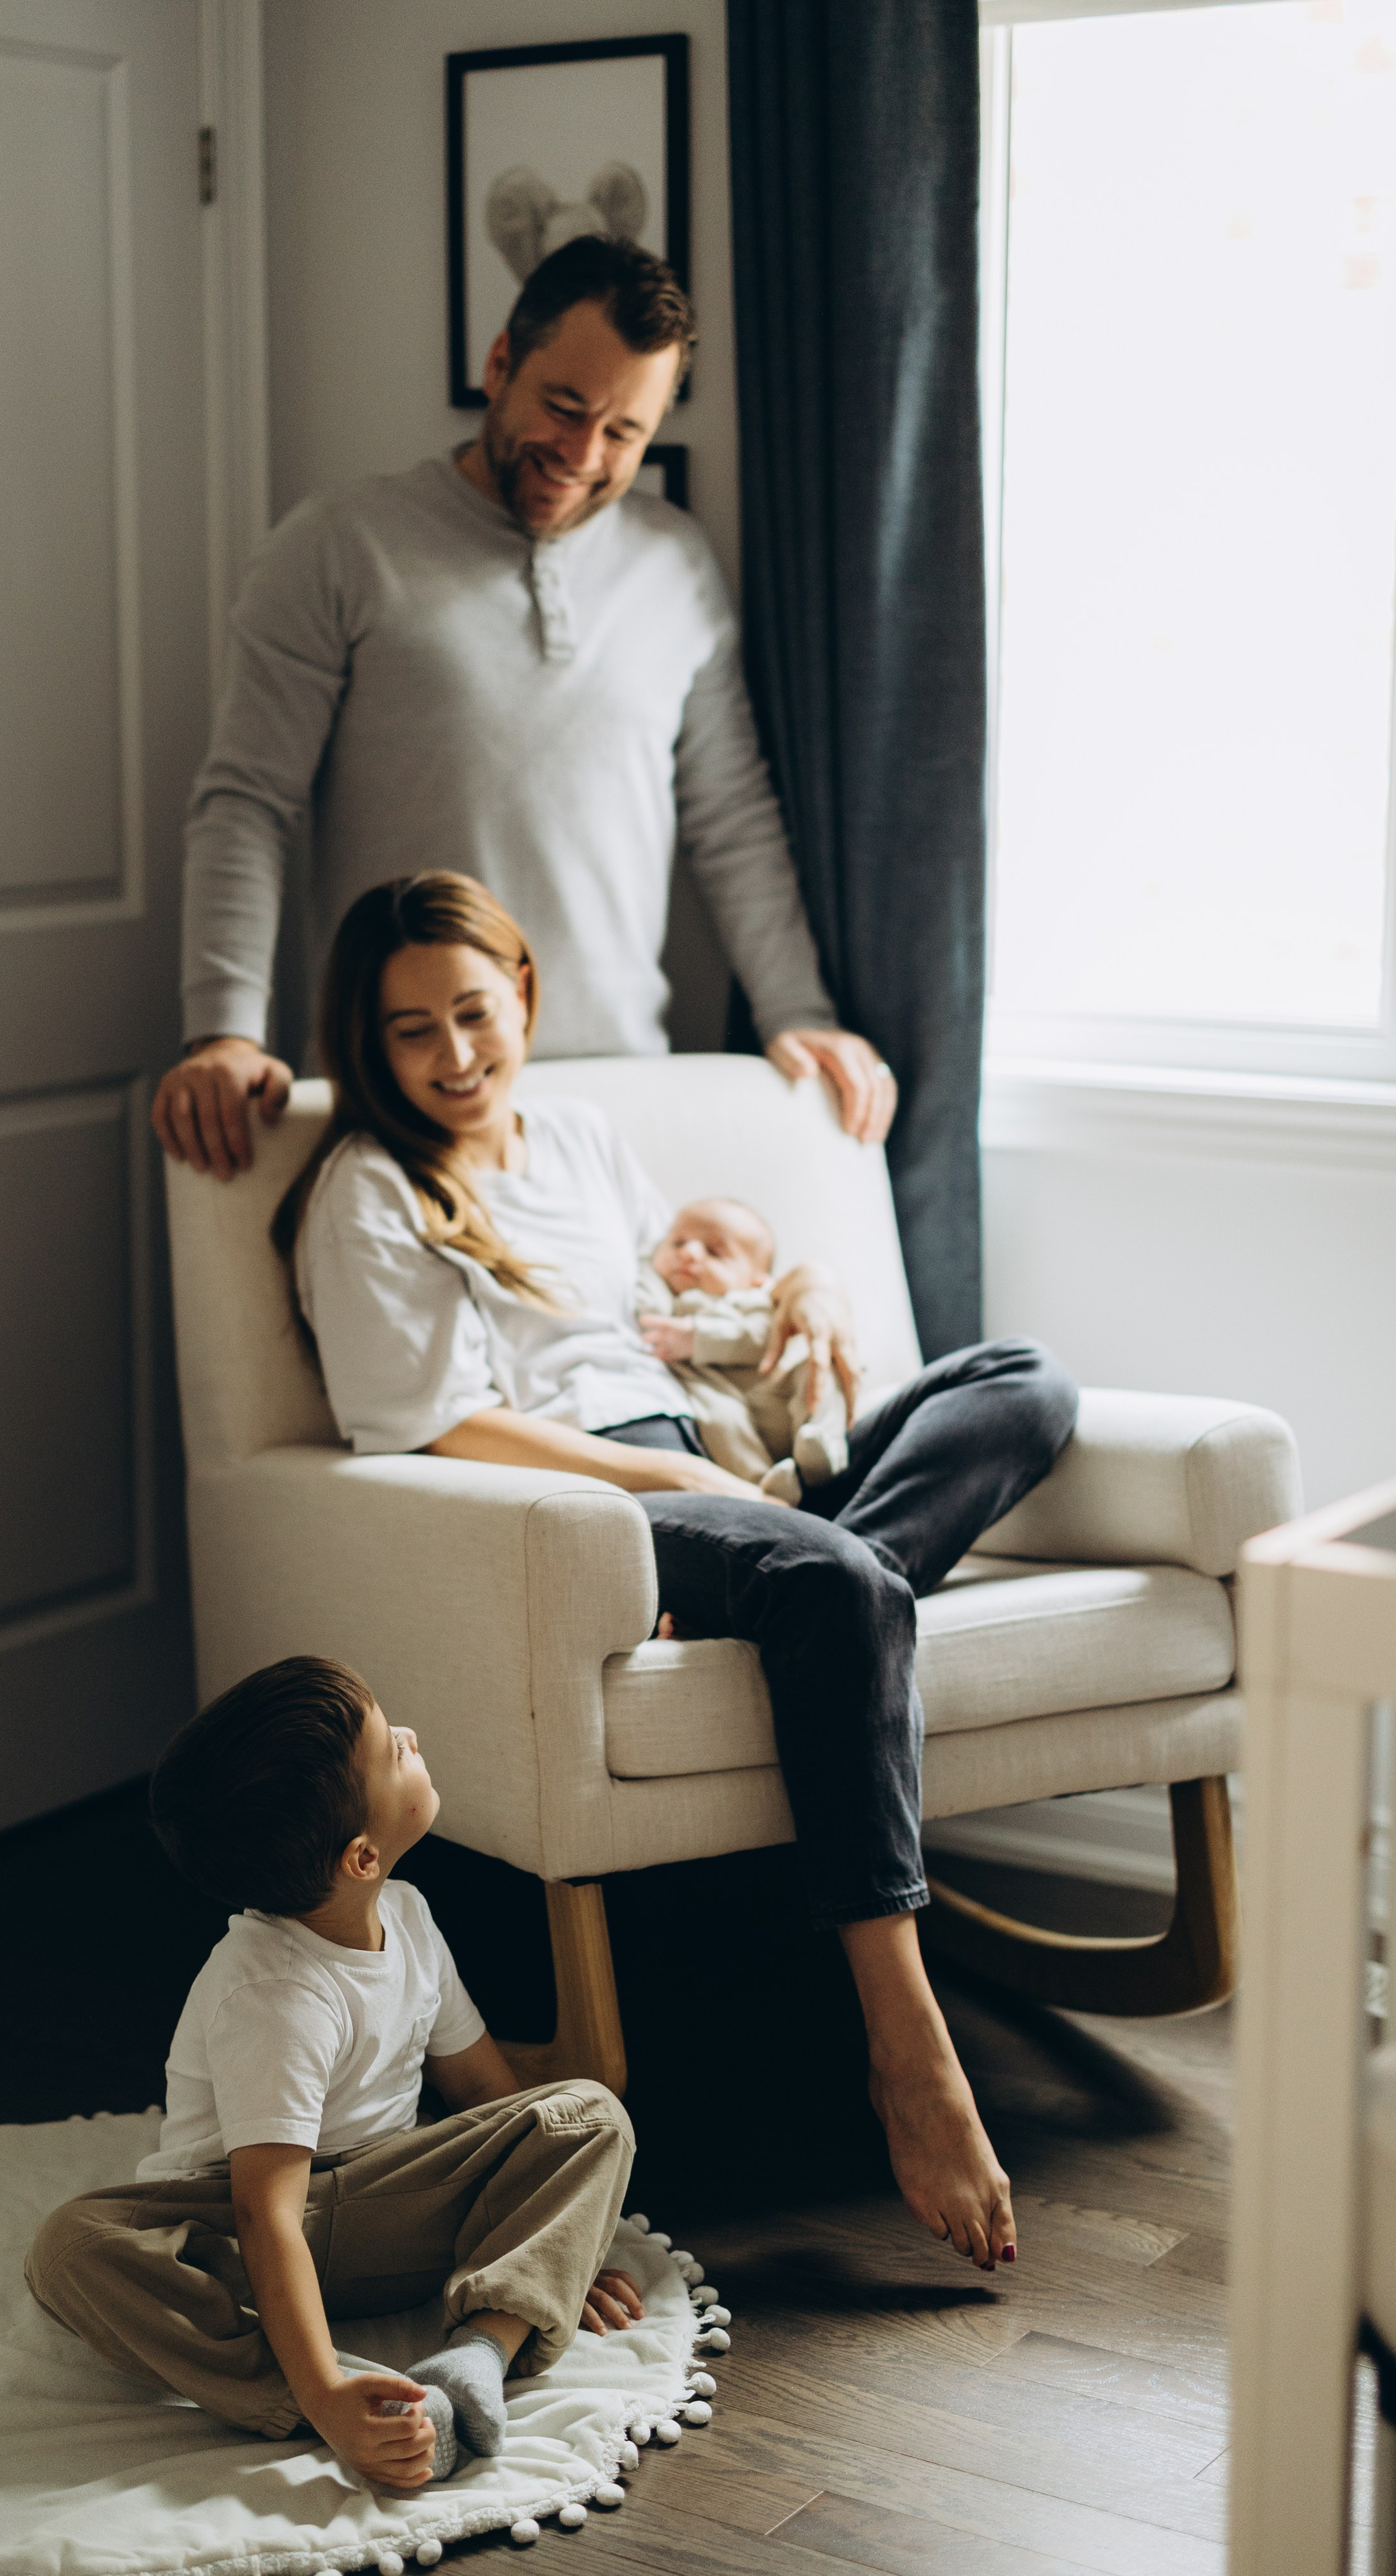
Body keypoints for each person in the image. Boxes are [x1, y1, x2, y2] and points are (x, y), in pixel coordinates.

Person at [275, 871, 1082, 2275]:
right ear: (368, 1040)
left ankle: (827, 1603)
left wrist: (806, 1295)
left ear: (520, 998)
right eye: (413, 1032)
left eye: (474, 1013)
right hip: (599, 1498)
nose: (456, 1056)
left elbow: (686, 1287)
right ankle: (906, 2041)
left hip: (733, 1465)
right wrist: (667, 1481)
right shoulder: (369, 1188)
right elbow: (421, 1421)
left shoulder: (578, 1137)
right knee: (833, 1585)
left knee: (1019, 1381)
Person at [152, 233, 897, 1183]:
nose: (582, 455)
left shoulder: (676, 565)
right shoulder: (339, 547)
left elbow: (732, 820)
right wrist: (221, 1030)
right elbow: (246, 806)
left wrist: (801, 1015)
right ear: (501, 363)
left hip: (618, 1099)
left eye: (623, 432)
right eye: (564, 406)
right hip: (404, 1104)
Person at [25, 1654, 639, 2493]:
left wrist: (559, 2241)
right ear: (359, 1856)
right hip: (240, 2233)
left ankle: (476, 2355)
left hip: (392, 2201)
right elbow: (265, 2210)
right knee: (72, 2250)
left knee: (588, 2115)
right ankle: (339, 2398)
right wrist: (320, 2391)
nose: (412, 1737)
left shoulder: (410, 1916)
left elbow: (483, 2092)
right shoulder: (273, 1991)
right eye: (393, 1748)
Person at [639, 1196, 852, 1499]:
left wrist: (698, 1338)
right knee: (720, 1420)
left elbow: (762, 1340)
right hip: (717, 1396)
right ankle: (763, 1484)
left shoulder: (754, 1302)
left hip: (776, 1394)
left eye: (715, 1252)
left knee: (820, 1369)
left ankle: (822, 1439)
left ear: (757, 1281)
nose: (688, 1253)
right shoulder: (665, 1297)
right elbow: (645, 1304)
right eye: (677, 1243)